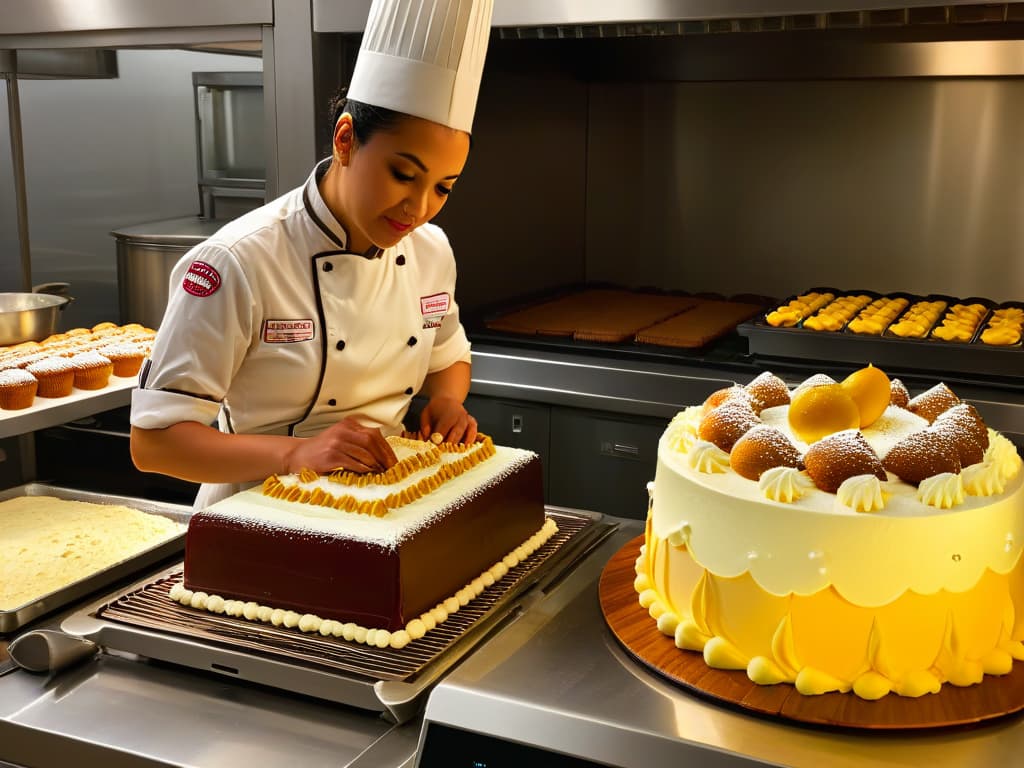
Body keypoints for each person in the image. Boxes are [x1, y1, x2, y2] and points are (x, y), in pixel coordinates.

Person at [130, 0, 494, 509]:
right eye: (403, 175)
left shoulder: (431, 251)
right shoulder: (237, 262)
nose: (418, 209)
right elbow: (155, 444)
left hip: (378, 507)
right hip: (256, 517)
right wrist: (298, 453)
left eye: (443, 188)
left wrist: (448, 401)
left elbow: (449, 356)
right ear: (346, 139)